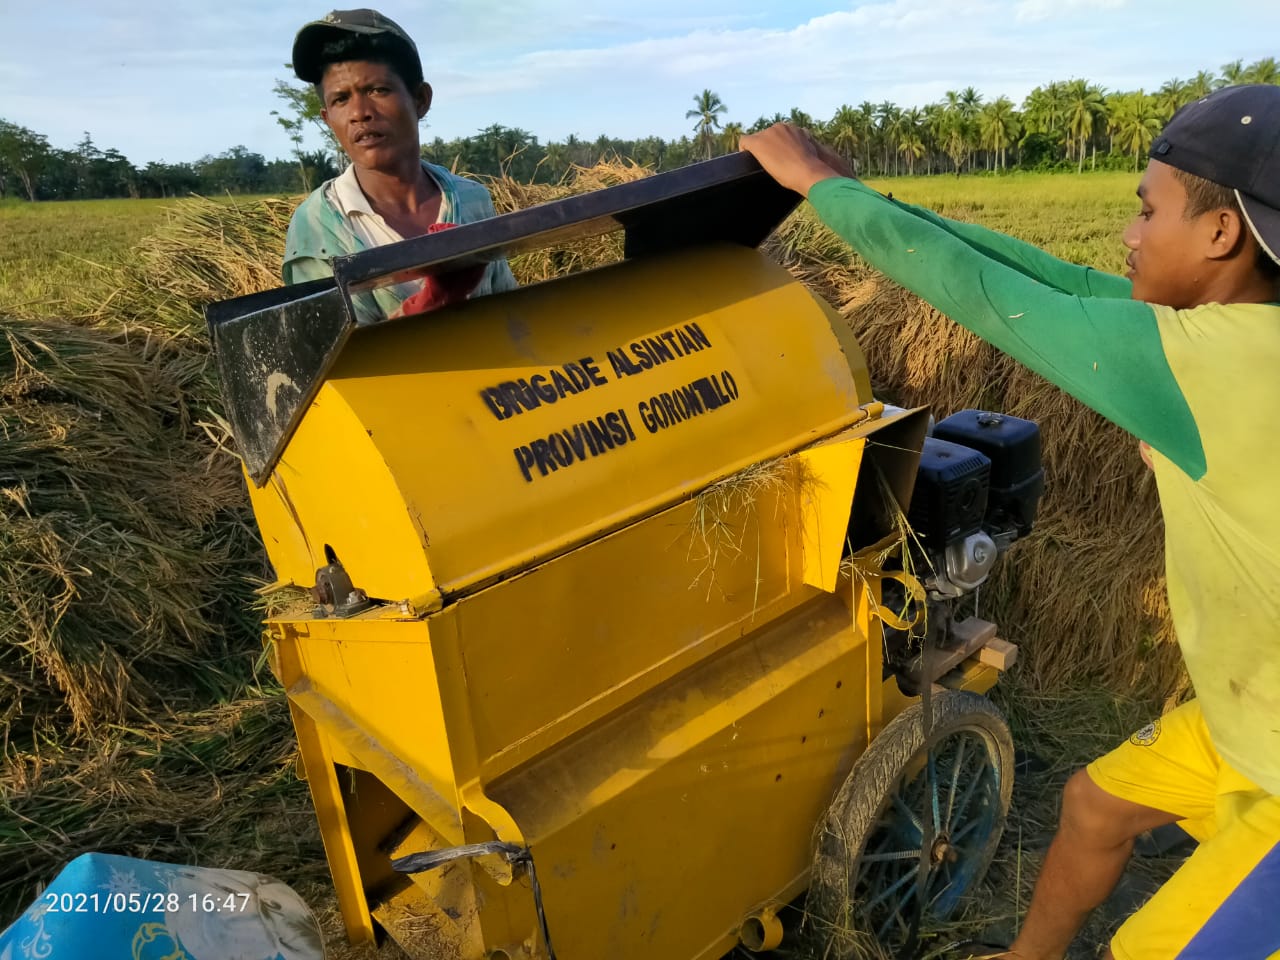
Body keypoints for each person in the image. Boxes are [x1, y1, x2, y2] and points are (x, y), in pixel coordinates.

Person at [742, 85, 1280, 960]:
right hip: (1248, 717)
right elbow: (1049, 278)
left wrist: (819, 187)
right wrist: (871, 201)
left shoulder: (1212, 363)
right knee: (1093, 807)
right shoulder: (1243, 333)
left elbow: (986, 295)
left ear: (1221, 235)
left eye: (1148, 211)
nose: (1129, 235)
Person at [282, 9, 517, 322]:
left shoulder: (471, 200)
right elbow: (335, 358)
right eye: (340, 99)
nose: (360, 113)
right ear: (327, 119)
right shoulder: (316, 228)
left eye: (378, 90)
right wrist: (429, 303)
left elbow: (511, 314)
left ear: (420, 99)